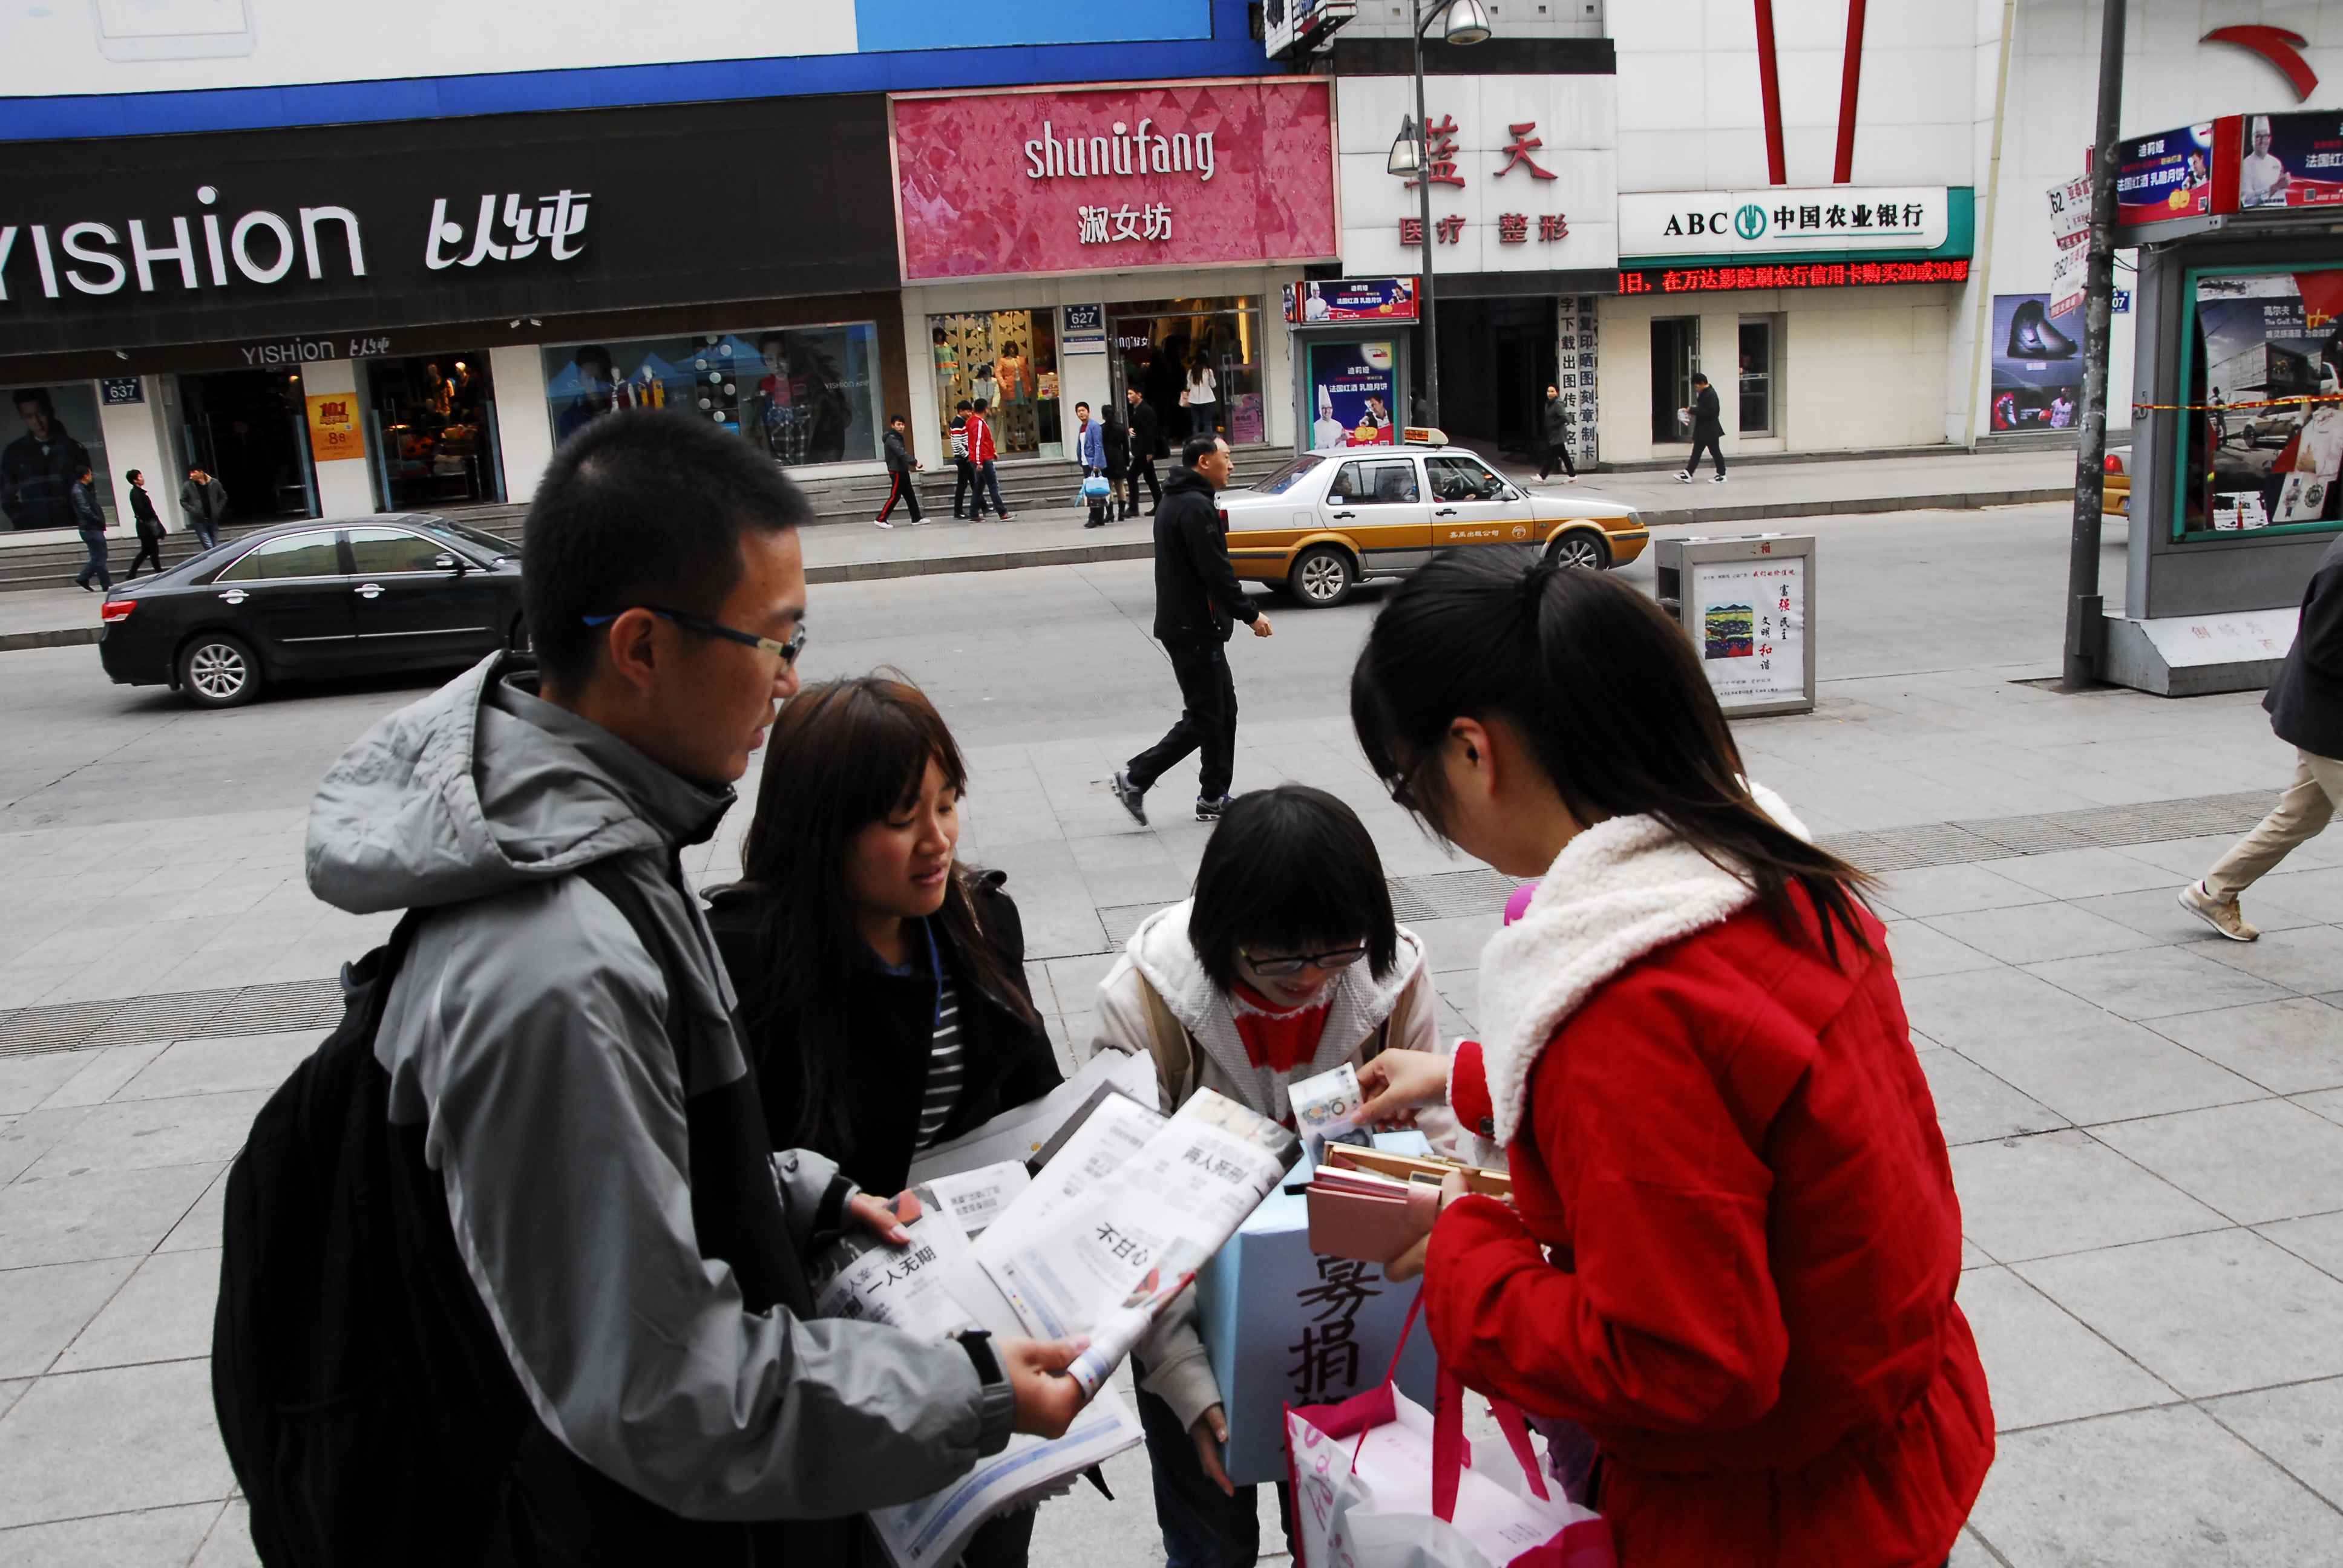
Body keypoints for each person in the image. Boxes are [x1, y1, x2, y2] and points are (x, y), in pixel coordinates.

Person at [298, 409, 1089, 1562]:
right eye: (773, 640)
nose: (789, 680)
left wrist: (795, 1192)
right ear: (641, 647)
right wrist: (962, 1388)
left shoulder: (611, 846)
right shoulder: (555, 962)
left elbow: (635, 1164)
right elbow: (658, 1384)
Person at [1342, 552, 1992, 1568]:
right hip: (1887, 1447)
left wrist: (1465, 1251)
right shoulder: (1757, 871)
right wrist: (1472, 1080)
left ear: (1472, 752)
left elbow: (1681, 1364)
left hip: (1764, 1526)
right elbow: (1740, 1086)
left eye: (1407, 781)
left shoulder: (1628, 1011)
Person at [706, 675, 1063, 1568]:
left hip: (974, 1314)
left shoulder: (979, 922)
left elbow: (1034, 1100)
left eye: (947, 804)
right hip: (835, 1354)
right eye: (904, 819)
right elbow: (724, 1180)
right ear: (822, 830)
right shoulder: (744, 963)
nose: (937, 840)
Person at [1087, 784, 1444, 1568]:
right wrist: (1185, 1381)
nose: (1312, 978)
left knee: (1351, 1541)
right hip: (1190, 1322)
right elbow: (1122, 1217)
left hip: (1348, 1318)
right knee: (1210, 1546)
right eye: (1281, 957)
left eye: (1336, 952)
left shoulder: (1391, 979)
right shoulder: (1145, 1005)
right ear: (1221, 930)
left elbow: (1433, 1158)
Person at [2180, 530, 2343, 941]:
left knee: (2300, 816)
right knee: (2299, 817)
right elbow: (2325, 649)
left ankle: (2213, 894)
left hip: (2323, 718)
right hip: (2330, 723)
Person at [1111, 435, 1273, 827]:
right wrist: (1250, 614)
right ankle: (1135, 778)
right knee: (1206, 715)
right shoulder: (1193, 506)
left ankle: (1213, 795)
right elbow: (1216, 571)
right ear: (1204, 461)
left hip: (1193, 625)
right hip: (1193, 627)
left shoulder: (1181, 499)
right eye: (1226, 457)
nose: (1231, 465)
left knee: (1223, 711)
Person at [2, 388, 93, 532]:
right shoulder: (14, 452)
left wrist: (81, 519)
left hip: (71, 526)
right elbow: (6, 495)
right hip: (32, 529)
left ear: (51, 411)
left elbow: (88, 488)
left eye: (41, 414)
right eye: (29, 416)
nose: (37, 422)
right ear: (22, 417)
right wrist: (21, 521)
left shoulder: (74, 449)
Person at [876, 414, 924, 529]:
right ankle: (881, 519)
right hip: (896, 471)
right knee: (895, 496)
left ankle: (916, 518)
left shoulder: (897, 437)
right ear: (893, 425)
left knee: (910, 495)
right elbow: (901, 453)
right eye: (898, 424)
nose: (901, 427)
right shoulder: (892, 438)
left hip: (902, 470)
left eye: (903, 424)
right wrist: (915, 462)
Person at [968, 399, 1013, 521]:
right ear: (985, 409)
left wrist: (992, 452)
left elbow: (981, 442)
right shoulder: (979, 423)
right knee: (993, 485)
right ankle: (1002, 512)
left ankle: (973, 513)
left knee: (979, 487)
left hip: (979, 457)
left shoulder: (971, 421)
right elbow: (978, 443)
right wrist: (979, 462)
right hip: (983, 459)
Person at [1679, 371, 1726, 483]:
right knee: (1698, 452)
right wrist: (1692, 411)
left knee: (1715, 452)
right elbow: (1703, 410)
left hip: (1710, 430)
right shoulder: (1705, 393)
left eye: (1696, 386)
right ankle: (1688, 473)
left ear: (1702, 383)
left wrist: (1692, 410)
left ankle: (1722, 475)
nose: (1696, 389)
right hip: (1705, 429)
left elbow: (1711, 412)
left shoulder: (1711, 394)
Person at [70, 465, 111, 592]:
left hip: (90, 528)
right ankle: (105, 583)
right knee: (100, 557)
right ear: (85, 476)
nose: (91, 476)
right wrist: (98, 520)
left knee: (97, 557)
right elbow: (85, 510)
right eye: (90, 474)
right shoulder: (79, 491)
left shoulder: (81, 489)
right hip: (91, 528)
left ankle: (84, 578)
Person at [1126, 386, 1164, 517]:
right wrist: (1131, 430)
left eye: (1131, 394)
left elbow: (1150, 432)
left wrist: (1149, 451)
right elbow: (1139, 427)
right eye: (1128, 394)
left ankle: (1133, 508)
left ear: (1139, 394)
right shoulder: (1137, 409)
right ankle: (1159, 504)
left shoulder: (1146, 410)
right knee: (1150, 477)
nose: (1129, 397)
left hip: (1144, 451)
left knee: (1131, 476)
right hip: (1141, 449)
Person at [123, 469, 164, 578]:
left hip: (146, 526)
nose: (142, 479)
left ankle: (132, 573)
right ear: (135, 480)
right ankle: (159, 572)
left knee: (147, 551)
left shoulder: (139, 493)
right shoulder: (136, 493)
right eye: (140, 477)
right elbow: (142, 510)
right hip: (146, 527)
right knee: (152, 550)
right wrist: (152, 520)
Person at [2241, 115, 2289, 207]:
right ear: (2252, 139)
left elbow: (2282, 197)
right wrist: (2275, 187)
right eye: (2258, 137)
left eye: (2266, 136)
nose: (2262, 141)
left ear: (2270, 139)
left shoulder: (2277, 162)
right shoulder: (2246, 165)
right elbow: (2247, 201)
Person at [1076, 400, 1109, 528]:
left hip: (1093, 464)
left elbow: (1098, 445)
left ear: (1088, 412)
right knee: (1093, 490)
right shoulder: (1082, 427)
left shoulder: (1094, 426)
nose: (1081, 413)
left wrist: (1096, 463)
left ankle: (1093, 518)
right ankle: (1099, 518)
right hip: (1085, 463)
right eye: (1079, 411)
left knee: (1093, 492)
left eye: (1083, 410)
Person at [179, 464, 228, 550]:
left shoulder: (214, 483)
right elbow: (183, 500)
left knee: (214, 545)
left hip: (213, 519)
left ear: (201, 472)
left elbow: (223, 497)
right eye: (190, 473)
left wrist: (218, 509)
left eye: (194, 472)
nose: (191, 475)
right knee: (209, 547)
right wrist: (193, 510)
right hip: (199, 520)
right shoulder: (188, 485)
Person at [1539, 384, 1578, 482]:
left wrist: (1554, 425)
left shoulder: (1558, 403)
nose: (1550, 393)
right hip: (1553, 433)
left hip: (1558, 433)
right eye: (1549, 391)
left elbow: (1564, 418)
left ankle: (1542, 476)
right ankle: (1572, 475)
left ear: (1557, 393)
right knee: (1563, 455)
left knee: (1551, 455)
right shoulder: (1548, 404)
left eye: (1552, 391)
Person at [949, 399, 980, 519]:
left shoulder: (962, 422)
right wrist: (967, 456)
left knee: (974, 482)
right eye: (967, 411)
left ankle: (983, 506)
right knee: (963, 485)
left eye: (970, 411)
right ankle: (958, 511)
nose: (970, 413)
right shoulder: (957, 423)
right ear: (961, 411)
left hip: (965, 458)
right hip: (963, 459)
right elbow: (957, 444)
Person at [1103, 400, 1133, 520]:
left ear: (1103, 415)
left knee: (1108, 487)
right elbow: (1126, 446)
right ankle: (1121, 513)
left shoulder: (1101, 429)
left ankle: (1110, 513)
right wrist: (1127, 462)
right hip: (1119, 458)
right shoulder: (1121, 428)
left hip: (1106, 459)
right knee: (1120, 486)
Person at [1182, 358, 1220, 437]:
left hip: (1194, 400)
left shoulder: (1191, 372)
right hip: (1208, 400)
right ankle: (1208, 441)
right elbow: (1213, 385)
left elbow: (1188, 386)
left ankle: (1196, 440)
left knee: (1195, 423)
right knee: (1208, 423)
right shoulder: (1208, 371)